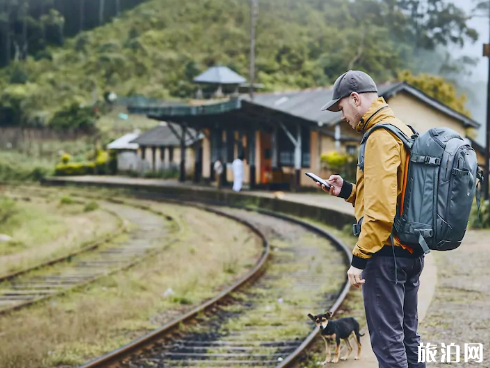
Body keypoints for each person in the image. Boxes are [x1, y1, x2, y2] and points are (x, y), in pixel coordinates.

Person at [317, 70, 426, 368]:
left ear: (354, 98)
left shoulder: (379, 137)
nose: (342, 117)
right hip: (409, 251)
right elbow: (395, 194)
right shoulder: (400, 128)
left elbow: (380, 212)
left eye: (341, 108)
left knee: (388, 344)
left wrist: (359, 259)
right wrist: (348, 191)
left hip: (386, 255)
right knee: (408, 338)